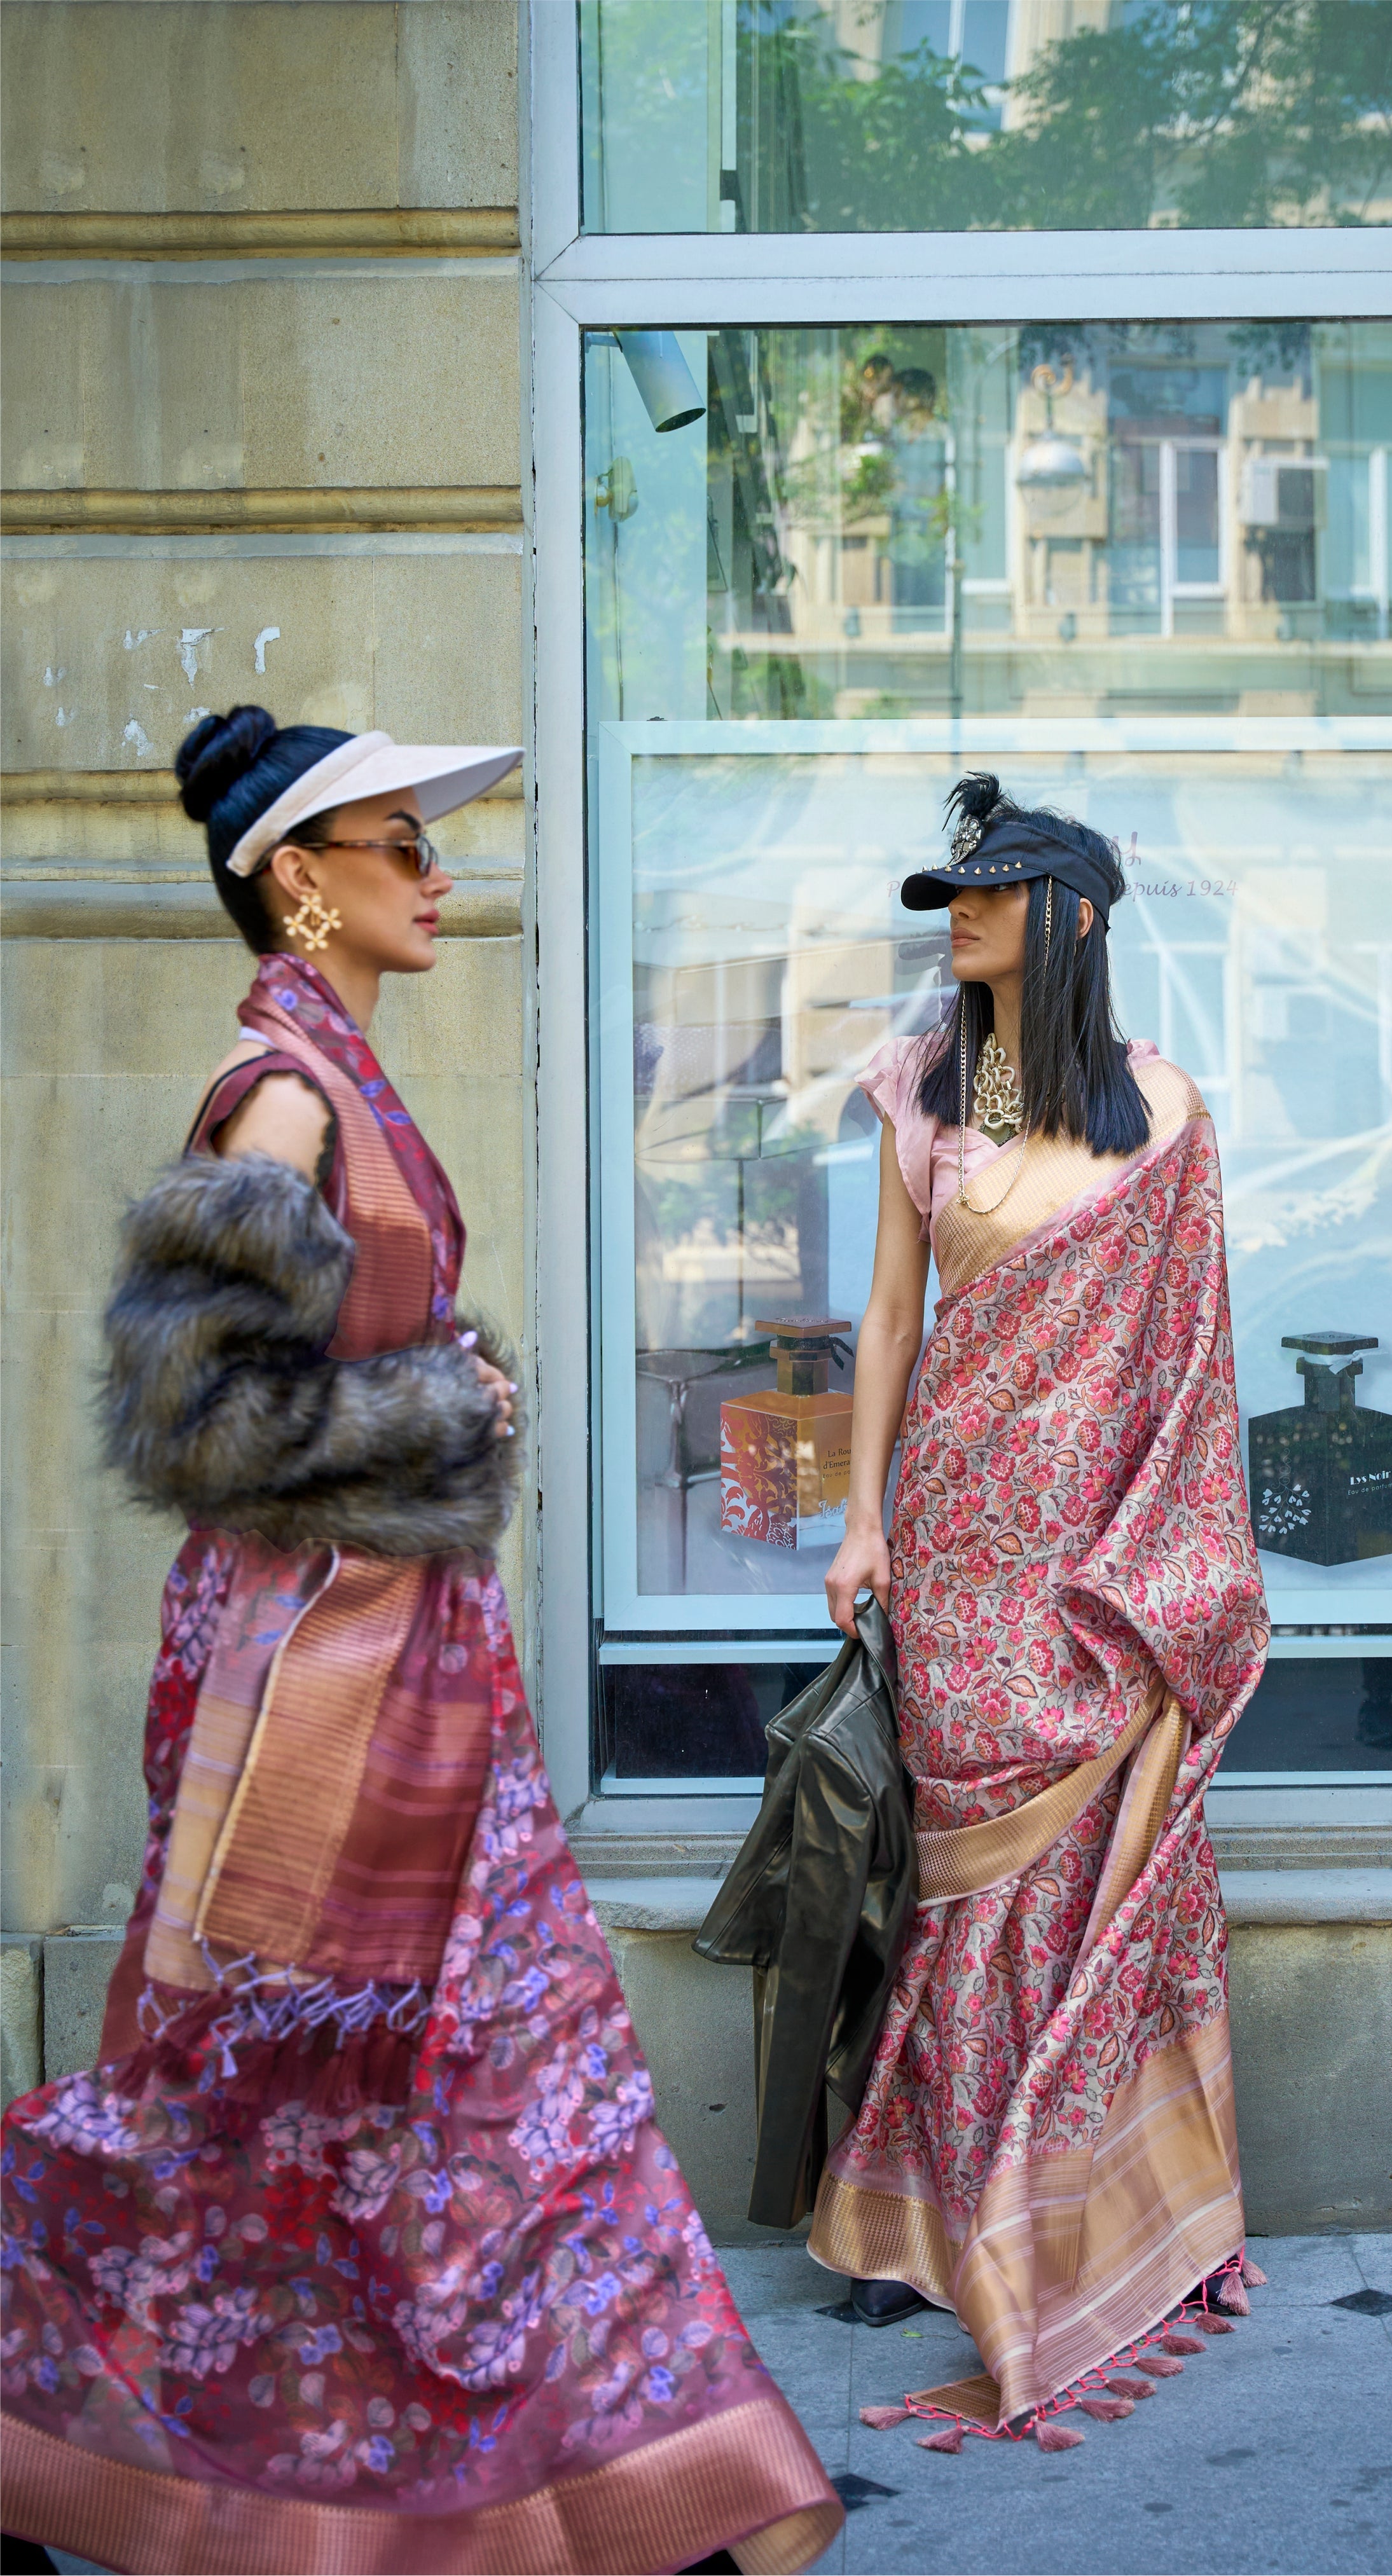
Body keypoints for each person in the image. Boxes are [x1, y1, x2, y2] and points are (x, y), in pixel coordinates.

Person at [0, 708, 841, 2575]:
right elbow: (198, 1418)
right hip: (316, 1679)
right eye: (402, 842)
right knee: (258, 2098)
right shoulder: (280, 1096)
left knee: (495, 2076)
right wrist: (448, 1412)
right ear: (298, 876)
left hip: (403, 1664)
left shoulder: (332, 1066)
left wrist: (433, 1399)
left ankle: (646, 2495)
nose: (438, 873)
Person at [813, 773, 1269, 2431]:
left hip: (1101, 1568)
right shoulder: (925, 1092)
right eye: (953, 896)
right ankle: (928, 2223)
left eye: (991, 893)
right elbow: (881, 1322)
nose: (961, 919)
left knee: (1095, 1876)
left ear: (1066, 916)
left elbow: (1191, 1362)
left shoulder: (1160, 1111)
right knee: (964, 1885)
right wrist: (859, 1519)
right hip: (954, 1550)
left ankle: (1118, 2210)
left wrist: (1160, 1568)